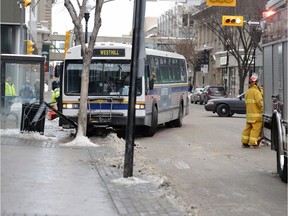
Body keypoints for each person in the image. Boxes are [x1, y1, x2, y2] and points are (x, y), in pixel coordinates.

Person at [241, 73, 264, 149]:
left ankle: (244, 142)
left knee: (248, 128)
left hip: (249, 115)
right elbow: (260, 102)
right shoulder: (256, 92)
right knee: (256, 129)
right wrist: (263, 110)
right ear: (256, 82)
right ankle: (253, 143)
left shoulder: (248, 92)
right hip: (256, 116)